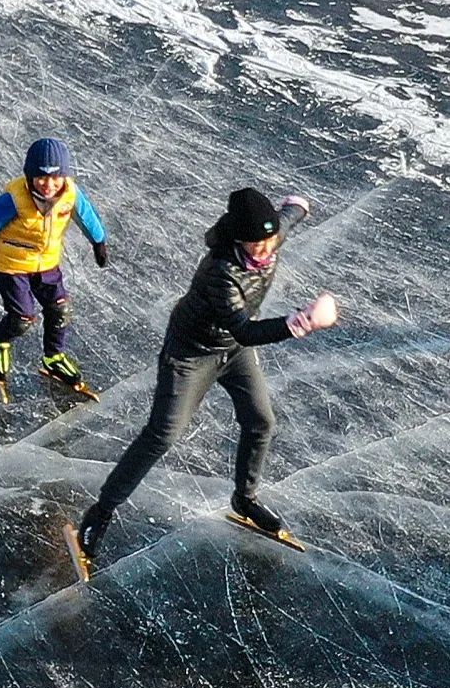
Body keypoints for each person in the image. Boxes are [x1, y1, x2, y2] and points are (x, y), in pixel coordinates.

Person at [73, 187, 338, 571]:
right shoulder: (220, 271)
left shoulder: (269, 234)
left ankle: (244, 499)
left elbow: (288, 217)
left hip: (233, 352)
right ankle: (100, 512)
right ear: (237, 238)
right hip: (190, 354)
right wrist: (300, 323)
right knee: (162, 434)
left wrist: (298, 205)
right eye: (255, 243)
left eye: (268, 241)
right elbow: (245, 330)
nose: (264, 249)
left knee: (261, 421)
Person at [0, 138, 108, 394]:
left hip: (47, 262)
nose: (48, 185)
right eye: (40, 177)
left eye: (55, 178)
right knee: (22, 318)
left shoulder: (70, 194)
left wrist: (98, 241)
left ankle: (53, 357)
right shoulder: (14, 199)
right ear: (29, 175)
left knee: (60, 309)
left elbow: (87, 215)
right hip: (12, 264)